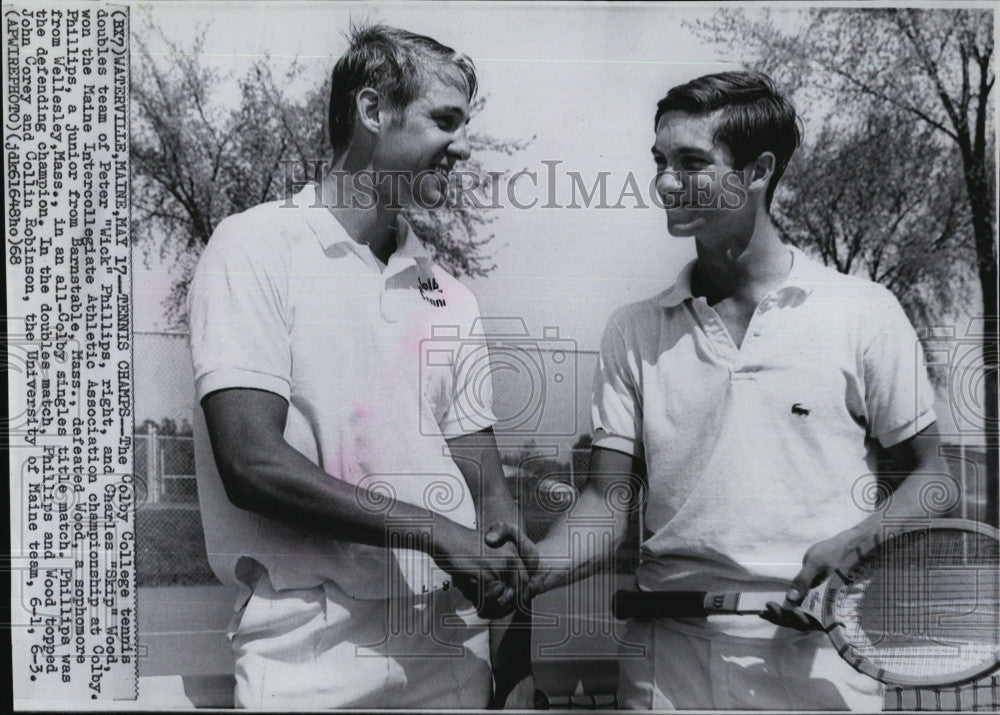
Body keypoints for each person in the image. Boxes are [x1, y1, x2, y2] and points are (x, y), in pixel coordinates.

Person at [490, 70, 950, 710]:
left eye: (692, 162)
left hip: (816, 663)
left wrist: (852, 547)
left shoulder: (864, 311)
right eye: (660, 161)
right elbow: (604, 504)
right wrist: (533, 571)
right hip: (665, 667)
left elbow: (931, 481)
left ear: (758, 171)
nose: (665, 182)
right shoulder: (633, 329)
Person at [188, 24, 530, 709]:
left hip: (448, 645)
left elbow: (484, 483)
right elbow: (251, 461)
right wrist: (433, 530)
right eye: (445, 120)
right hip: (307, 644)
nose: (461, 146)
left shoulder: (447, 291)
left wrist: (515, 651)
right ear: (373, 112)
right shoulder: (255, 245)